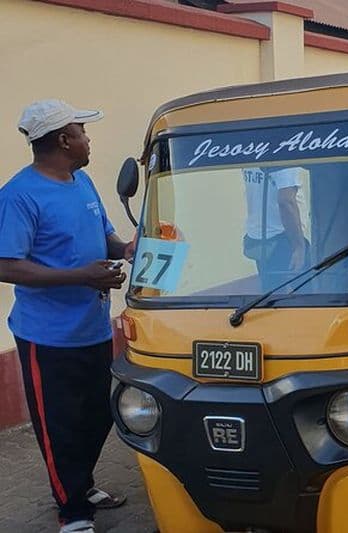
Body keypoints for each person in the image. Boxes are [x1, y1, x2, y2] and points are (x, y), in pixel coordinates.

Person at [0, 100, 132, 533]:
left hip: (92, 328)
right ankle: (73, 512)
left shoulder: (83, 181)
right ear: (63, 140)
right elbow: (6, 264)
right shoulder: (19, 196)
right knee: (59, 427)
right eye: (82, 131)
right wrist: (81, 276)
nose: (88, 138)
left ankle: (80, 483)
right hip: (47, 338)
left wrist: (127, 249)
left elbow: (105, 237)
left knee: (101, 413)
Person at [242, 166, 309, 291]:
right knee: (307, 295)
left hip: (258, 237)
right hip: (285, 238)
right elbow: (286, 201)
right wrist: (298, 247)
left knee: (271, 297)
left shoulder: (251, 150)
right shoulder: (285, 157)